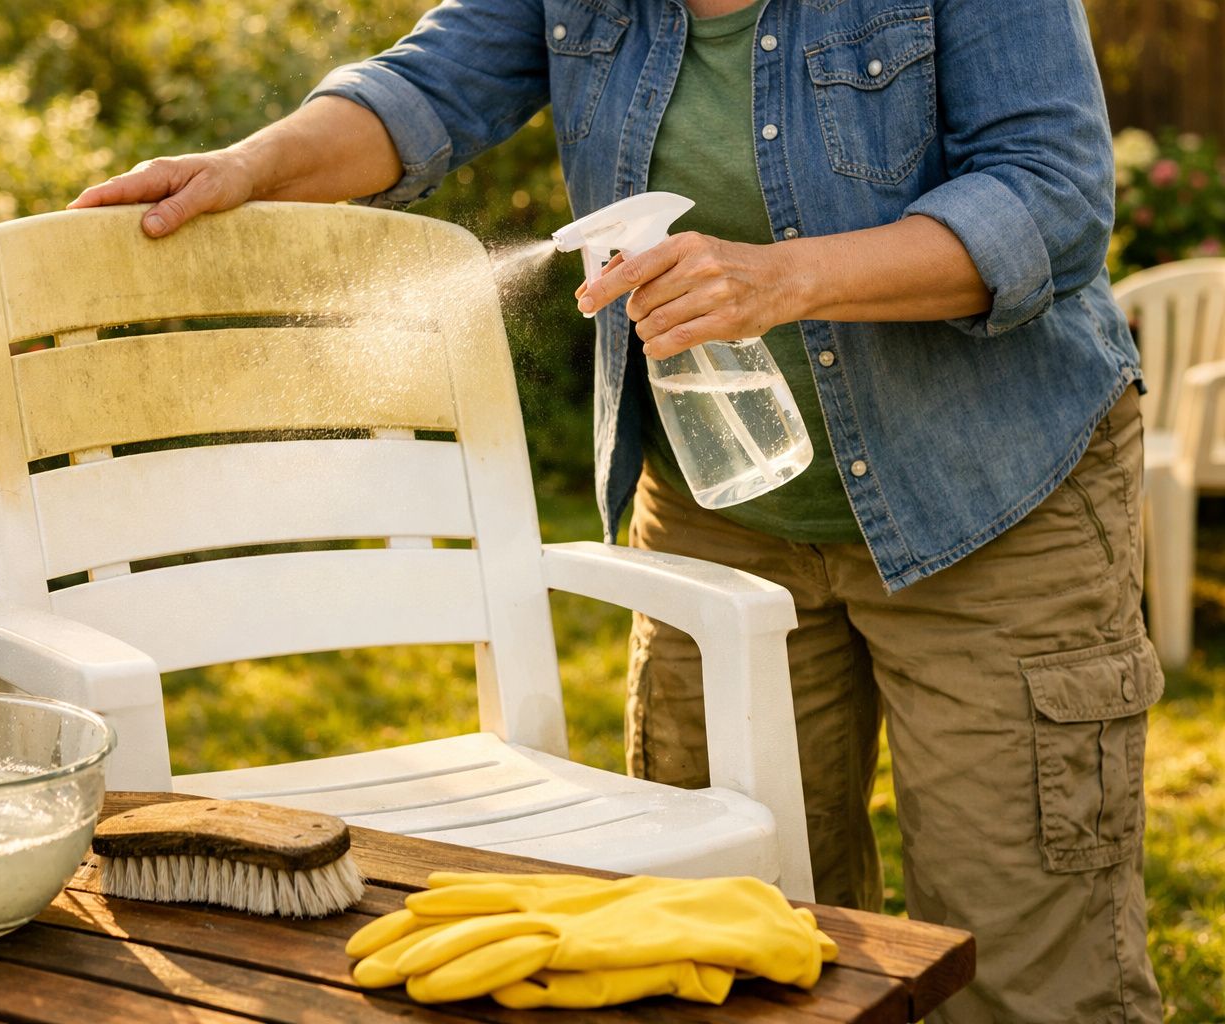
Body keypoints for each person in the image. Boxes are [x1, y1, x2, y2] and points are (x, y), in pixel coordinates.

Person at [69, 1, 1164, 1019]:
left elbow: (1052, 196)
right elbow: (424, 89)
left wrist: (786, 278)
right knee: (724, 942)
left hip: (991, 501)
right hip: (720, 516)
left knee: (1020, 961)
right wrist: (249, 167)